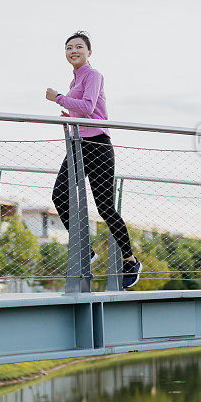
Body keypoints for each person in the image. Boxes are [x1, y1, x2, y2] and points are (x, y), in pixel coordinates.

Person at [45, 31, 142, 289]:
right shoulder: (74, 80)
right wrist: (67, 112)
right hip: (78, 145)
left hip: (98, 145)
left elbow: (88, 107)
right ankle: (86, 250)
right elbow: (81, 109)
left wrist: (56, 98)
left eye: (78, 47)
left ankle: (130, 259)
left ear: (89, 52)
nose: (73, 51)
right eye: (69, 48)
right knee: (59, 195)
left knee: (105, 208)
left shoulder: (94, 75)